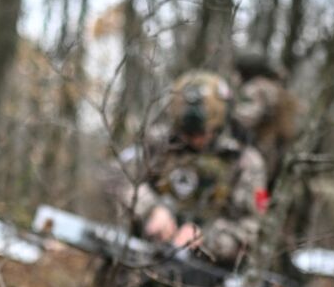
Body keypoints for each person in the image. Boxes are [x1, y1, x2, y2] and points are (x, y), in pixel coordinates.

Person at [114, 71, 268, 266]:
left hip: (209, 273)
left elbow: (252, 228)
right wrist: (151, 210)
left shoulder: (246, 161)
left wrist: (208, 239)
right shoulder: (158, 143)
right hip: (143, 256)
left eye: (202, 133)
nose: (195, 140)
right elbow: (117, 177)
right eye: (188, 132)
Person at [231, 52, 297, 184]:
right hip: (276, 152)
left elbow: (244, 118)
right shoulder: (276, 88)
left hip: (260, 151)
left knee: (252, 194)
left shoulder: (257, 88)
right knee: (264, 193)